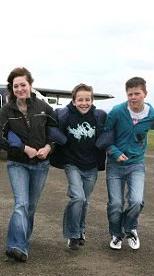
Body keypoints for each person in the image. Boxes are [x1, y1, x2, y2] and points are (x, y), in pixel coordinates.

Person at [104, 77, 154, 250]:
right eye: (130, 94)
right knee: (115, 204)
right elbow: (105, 137)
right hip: (115, 165)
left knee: (136, 201)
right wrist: (115, 152)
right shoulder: (117, 111)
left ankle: (131, 228)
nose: (133, 97)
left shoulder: (153, 116)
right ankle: (116, 234)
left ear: (145, 94)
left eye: (137, 94)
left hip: (136, 164)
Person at [0, 67, 58, 262]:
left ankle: (22, 241)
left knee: (31, 207)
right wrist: (24, 148)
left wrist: (48, 147)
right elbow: (0, 138)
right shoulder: (6, 111)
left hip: (41, 165)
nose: (20, 89)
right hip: (17, 164)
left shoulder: (44, 108)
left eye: (23, 85)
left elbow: (55, 132)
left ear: (30, 85)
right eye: (16, 86)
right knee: (21, 204)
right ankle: (16, 246)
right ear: (11, 89)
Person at [47, 84, 113, 250]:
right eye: (80, 100)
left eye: (87, 99)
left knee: (85, 201)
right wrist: (64, 140)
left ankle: (81, 231)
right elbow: (51, 128)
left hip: (91, 166)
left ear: (92, 100)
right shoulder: (65, 115)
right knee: (78, 197)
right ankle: (72, 234)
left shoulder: (100, 116)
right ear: (74, 101)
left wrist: (101, 144)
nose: (84, 103)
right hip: (72, 164)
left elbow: (110, 131)